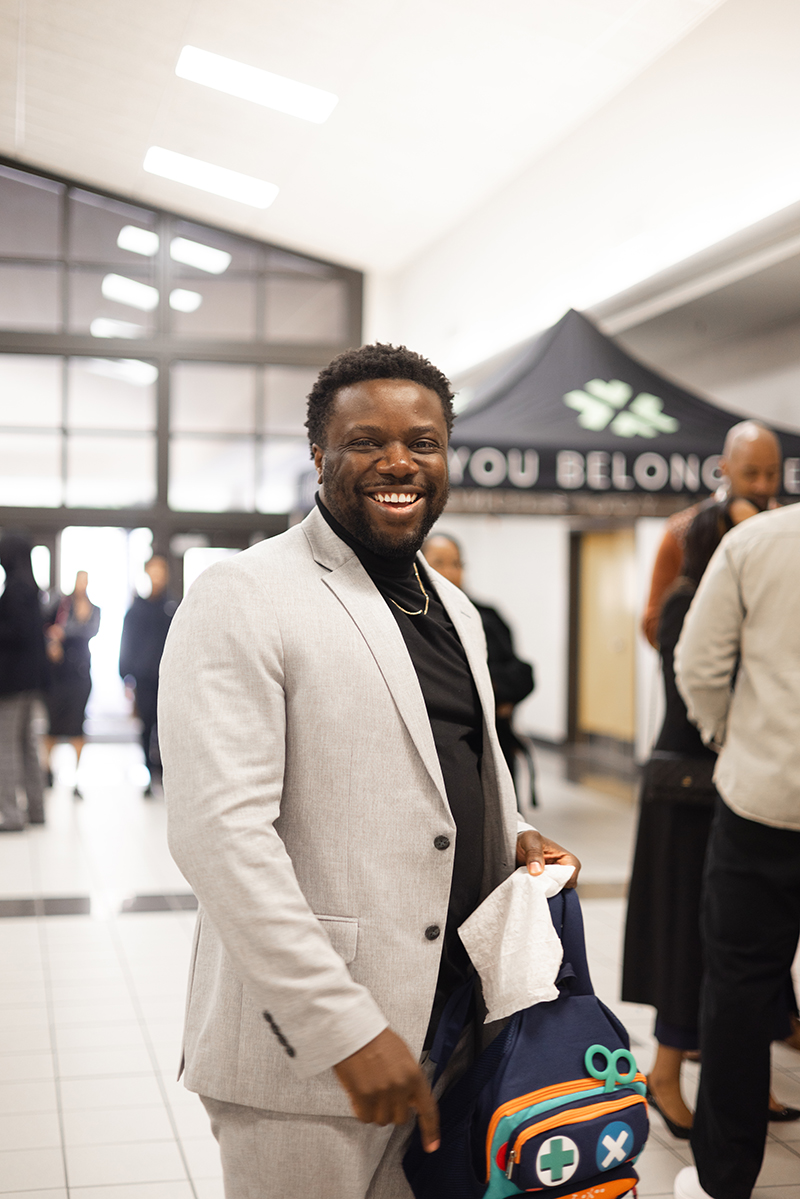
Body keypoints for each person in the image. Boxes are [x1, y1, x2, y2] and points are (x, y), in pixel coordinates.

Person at [158, 342, 580, 1199]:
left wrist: (511, 833)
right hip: (311, 1056)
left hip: (452, 1018)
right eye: (366, 441)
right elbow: (219, 834)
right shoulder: (244, 593)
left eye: (423, 441)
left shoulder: (451, 603)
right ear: (319, 454)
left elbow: (456, 757)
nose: (399, 461)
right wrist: (341, 1026)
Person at [622, 498, 761, 1138]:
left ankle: (731, 1083)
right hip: (686, 793)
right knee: (684, 936)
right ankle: (665, 1075)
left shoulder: (744, 601)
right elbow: (697, 690)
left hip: (731, 787)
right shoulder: (686, 601)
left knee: (733, 943)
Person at [673, 501, 800, 1199]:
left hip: (763, 802)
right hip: (760, 795)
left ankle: (724, 1181)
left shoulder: (755, 543)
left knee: (740, 997)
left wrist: (731, 736)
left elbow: (698, 662)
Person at [641, 420, 782, 647]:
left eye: (772, 474)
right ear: (724, 468)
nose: (762, 486)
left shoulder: (788, 533)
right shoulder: (682, 532)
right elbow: (653, 626)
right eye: (750, 473)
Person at [422, 533, 535, 802]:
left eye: (457, 564)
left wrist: (488, 689)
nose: (450, 572)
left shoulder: (486, 615)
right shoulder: (413, 619)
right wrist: (486, 693)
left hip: (492, 747)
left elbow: (521, 675)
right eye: (439, 562)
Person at [0, 533, 47, 831]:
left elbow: (16, 634)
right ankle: (36, 810)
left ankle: (11, 815)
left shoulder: (14, 590)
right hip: (31, 682)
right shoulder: (31, 589)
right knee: (27, 745)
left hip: (12, 682)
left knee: (6, 746)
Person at [119, 554, 177, 796]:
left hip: (168, 679)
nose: (157, 576)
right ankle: (148, 771)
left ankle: (163, 771)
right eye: (153, 571)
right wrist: (125, 676)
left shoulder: (173, 607)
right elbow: (127, 644)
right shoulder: (137, 609)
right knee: (146, 726)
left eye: (160, 571)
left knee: (165, 727)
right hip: (143, 678)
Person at [43, 570, 100, 799]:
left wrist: (63, 633)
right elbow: (44, 625)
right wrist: (51, 642)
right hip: (58, 674)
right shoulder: (60, 604)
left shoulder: (94, 609)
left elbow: (89, 631)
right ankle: (47, 770)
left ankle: (76, 777)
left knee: (77, 724)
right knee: (53, 724)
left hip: (80, 674)